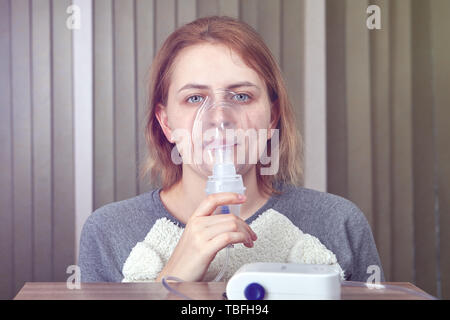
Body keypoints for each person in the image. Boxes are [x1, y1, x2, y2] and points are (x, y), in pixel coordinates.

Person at [79, 16, 384, 283]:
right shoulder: (109, 231)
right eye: (195, 98)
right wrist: (171, 281)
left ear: (272, 116)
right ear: (166, 123)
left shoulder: (336, 223)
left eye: (241, 96)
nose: (220, 118)